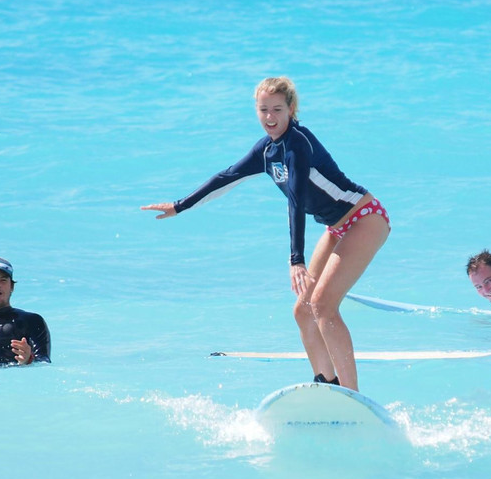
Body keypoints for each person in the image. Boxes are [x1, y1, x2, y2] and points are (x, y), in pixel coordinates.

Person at [141, 77, 390, 391]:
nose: (270, 117)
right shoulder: (267, 151)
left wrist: (296, 259)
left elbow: (297, 199)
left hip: (364, 219)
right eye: (263, 110)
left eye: (277, 109)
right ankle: (327, 384)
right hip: (337, 227)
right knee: (303, 310)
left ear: (290, 109)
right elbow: (226, 177)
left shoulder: (298, 143)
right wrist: (180, 206)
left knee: (324, 306)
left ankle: (352, 395)